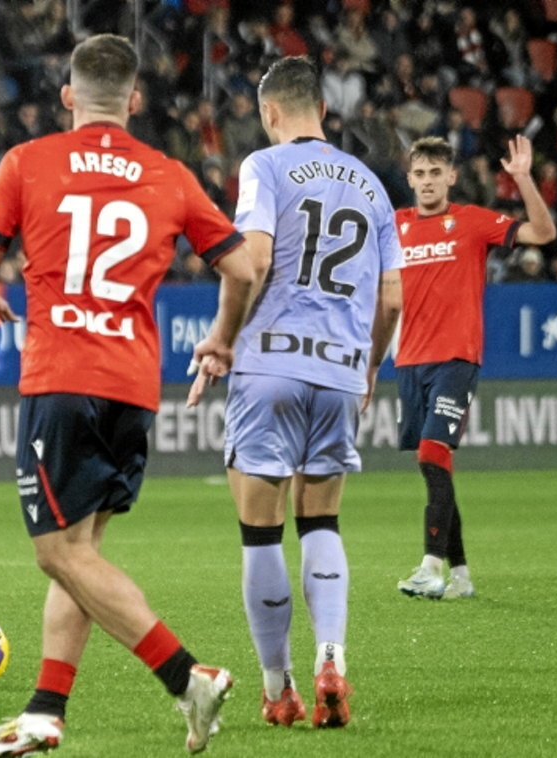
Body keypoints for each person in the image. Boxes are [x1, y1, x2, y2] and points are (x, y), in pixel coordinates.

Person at [0, 34, 264, 756]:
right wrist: (221, 339)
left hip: (62, 375)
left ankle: (188, 675)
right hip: (132, 385)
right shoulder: (170, 174)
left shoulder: (28, 161)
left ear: (68, 95)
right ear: (134, 100)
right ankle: (45, 712)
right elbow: (243, 269)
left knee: (56, 554)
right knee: (82, 551)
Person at [188, 56, 404, 730]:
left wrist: (222, 339)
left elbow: (253, 261)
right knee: (321, 524)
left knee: (261, 533)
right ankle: (331, 660)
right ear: (323, 110)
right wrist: (369, 367)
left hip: (270, 363)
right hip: (340, 370)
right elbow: (392, 300)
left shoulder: (264, 166)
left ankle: (279, 687)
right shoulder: (372, 185)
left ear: (270, 112)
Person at [393, 135, 556, 599]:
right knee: (437, 465)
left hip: (456, 357)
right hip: (409, 361)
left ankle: (430, 567)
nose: (427, 181)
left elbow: (543, 233)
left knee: (431, 454)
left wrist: (522, 179)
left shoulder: (472, 222)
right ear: (410, 179)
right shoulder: (394, 226)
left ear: (451, 176)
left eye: (435, 173)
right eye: (419, 173)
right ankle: (461, 575)